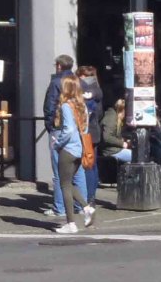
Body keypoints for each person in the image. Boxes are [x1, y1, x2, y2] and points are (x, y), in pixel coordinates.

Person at [41, 54, 87, 217]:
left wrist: (50, 127)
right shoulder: (77, 82)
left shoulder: (56, 83)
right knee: (77, 170)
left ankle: (59, 208)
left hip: (60, 129)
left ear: (59, 66)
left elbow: (49, 107)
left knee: (60, 171)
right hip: (77, 129)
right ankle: (82, 206)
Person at [49, 75, 95, 234]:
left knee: (64, 185)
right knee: (69, 183)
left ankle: (71, 223)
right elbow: (85, 129)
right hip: (80, 149)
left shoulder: (66, 106)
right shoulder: (82, 105)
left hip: (68, 149)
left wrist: (58, 143)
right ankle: (87, 207)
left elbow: (68, 130)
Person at [76, 66, 105, 205]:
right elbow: (99, 114)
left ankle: (88, 196)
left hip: (87, 131)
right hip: (94, 131)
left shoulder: (87, 91)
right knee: (91, 164)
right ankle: (91, 195)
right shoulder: (97, 89)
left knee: (87, 164)